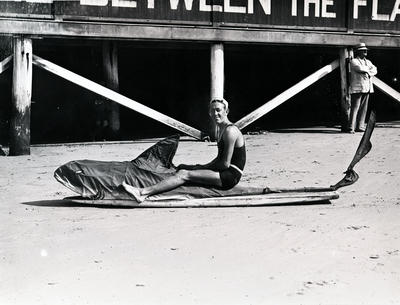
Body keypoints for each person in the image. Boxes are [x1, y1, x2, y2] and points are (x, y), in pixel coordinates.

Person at [122, 98, 246, 202]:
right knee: (184, 167)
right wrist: (198, 166)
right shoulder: (221, 129)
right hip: (225, 171)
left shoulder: (230, 131)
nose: (215, 113)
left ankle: (142, 192)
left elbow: (224, 163)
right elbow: (220, 160)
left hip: (230, 175)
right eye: (212, 110)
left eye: (218, 110)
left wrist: (199, 168)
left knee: (184, 174)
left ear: (226, 111)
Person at [348, 42, 377, 133]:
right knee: (355, 107)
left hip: (367, 87)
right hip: (358, 87)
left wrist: (368, 71)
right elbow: (359, 69)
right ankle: (351, 127)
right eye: (363, 50)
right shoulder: (354, 61)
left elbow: (375, 70)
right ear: (358, 52)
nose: (365, 52)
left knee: (364, 108)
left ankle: (360, 126)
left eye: (365, 50)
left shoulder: (368, 61)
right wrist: (369, 70)